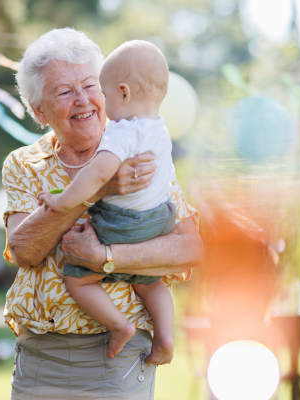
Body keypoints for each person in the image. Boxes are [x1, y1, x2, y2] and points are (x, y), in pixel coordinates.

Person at [3, 28, 202, 400]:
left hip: (118, 360)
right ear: (38, 111)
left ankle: (156, 335)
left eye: (90, 85)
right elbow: (25, 250)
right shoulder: (24, 164)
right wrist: (100, 192)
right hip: (39, 357)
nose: (83, 100)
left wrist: (107, 258)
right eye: (64, 91)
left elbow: (190, 247)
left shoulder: (136, 145)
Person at [36, 40, 176, 363]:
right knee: (150, 281)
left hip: (126, 222)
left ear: (123, 94)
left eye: (100, 90)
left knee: (76, 277)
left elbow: (98, 175)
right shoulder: (159, 128)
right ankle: (166, 336)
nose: (97, 99)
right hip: (161, 217)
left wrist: (63, 201)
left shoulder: (121, 131)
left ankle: (119, 325)